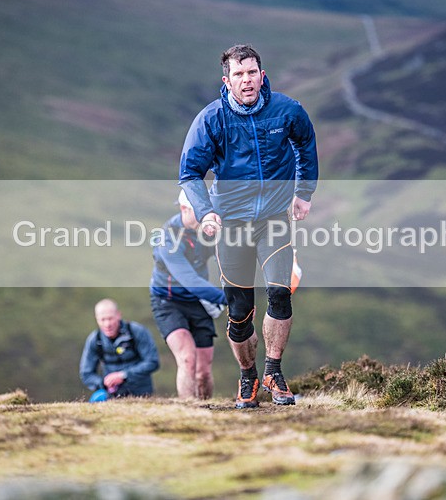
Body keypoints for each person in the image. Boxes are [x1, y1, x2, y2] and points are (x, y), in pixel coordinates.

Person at [179, 44, 318, 408]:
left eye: (252, 72)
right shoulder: (211, 119)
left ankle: (274, 370)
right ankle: (248, 376)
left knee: (279, 293)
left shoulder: (287, 110)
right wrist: (206, 211)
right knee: (239, 314)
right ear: (227, 80)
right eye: (239, 74)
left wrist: (304, 191)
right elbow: (190, 173)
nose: (247, 80)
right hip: (233, 225)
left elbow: (305, 143)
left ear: (262, 75)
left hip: (274, 219)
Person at [149, 190, 227, 399]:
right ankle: (190, 411)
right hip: (168, 301)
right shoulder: (167, 238)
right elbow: (190, 281)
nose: (205, 215)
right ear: (184, 209)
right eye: (200, 211)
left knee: (203, 371)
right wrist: (230, 298)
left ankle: (207, 409)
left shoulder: (207, 228)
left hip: (198, 301)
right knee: (187, 359)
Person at [79, 298, 160, 401]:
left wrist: (124, 376)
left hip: (141, 394)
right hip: (111, 395)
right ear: (96, 319)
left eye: (110, 318)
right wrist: (103, 382)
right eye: (102, 320)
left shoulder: (137, 331)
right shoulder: (95, 340)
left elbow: (153, 362)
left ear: (118, 315)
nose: (107, 324)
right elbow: (86, 374)